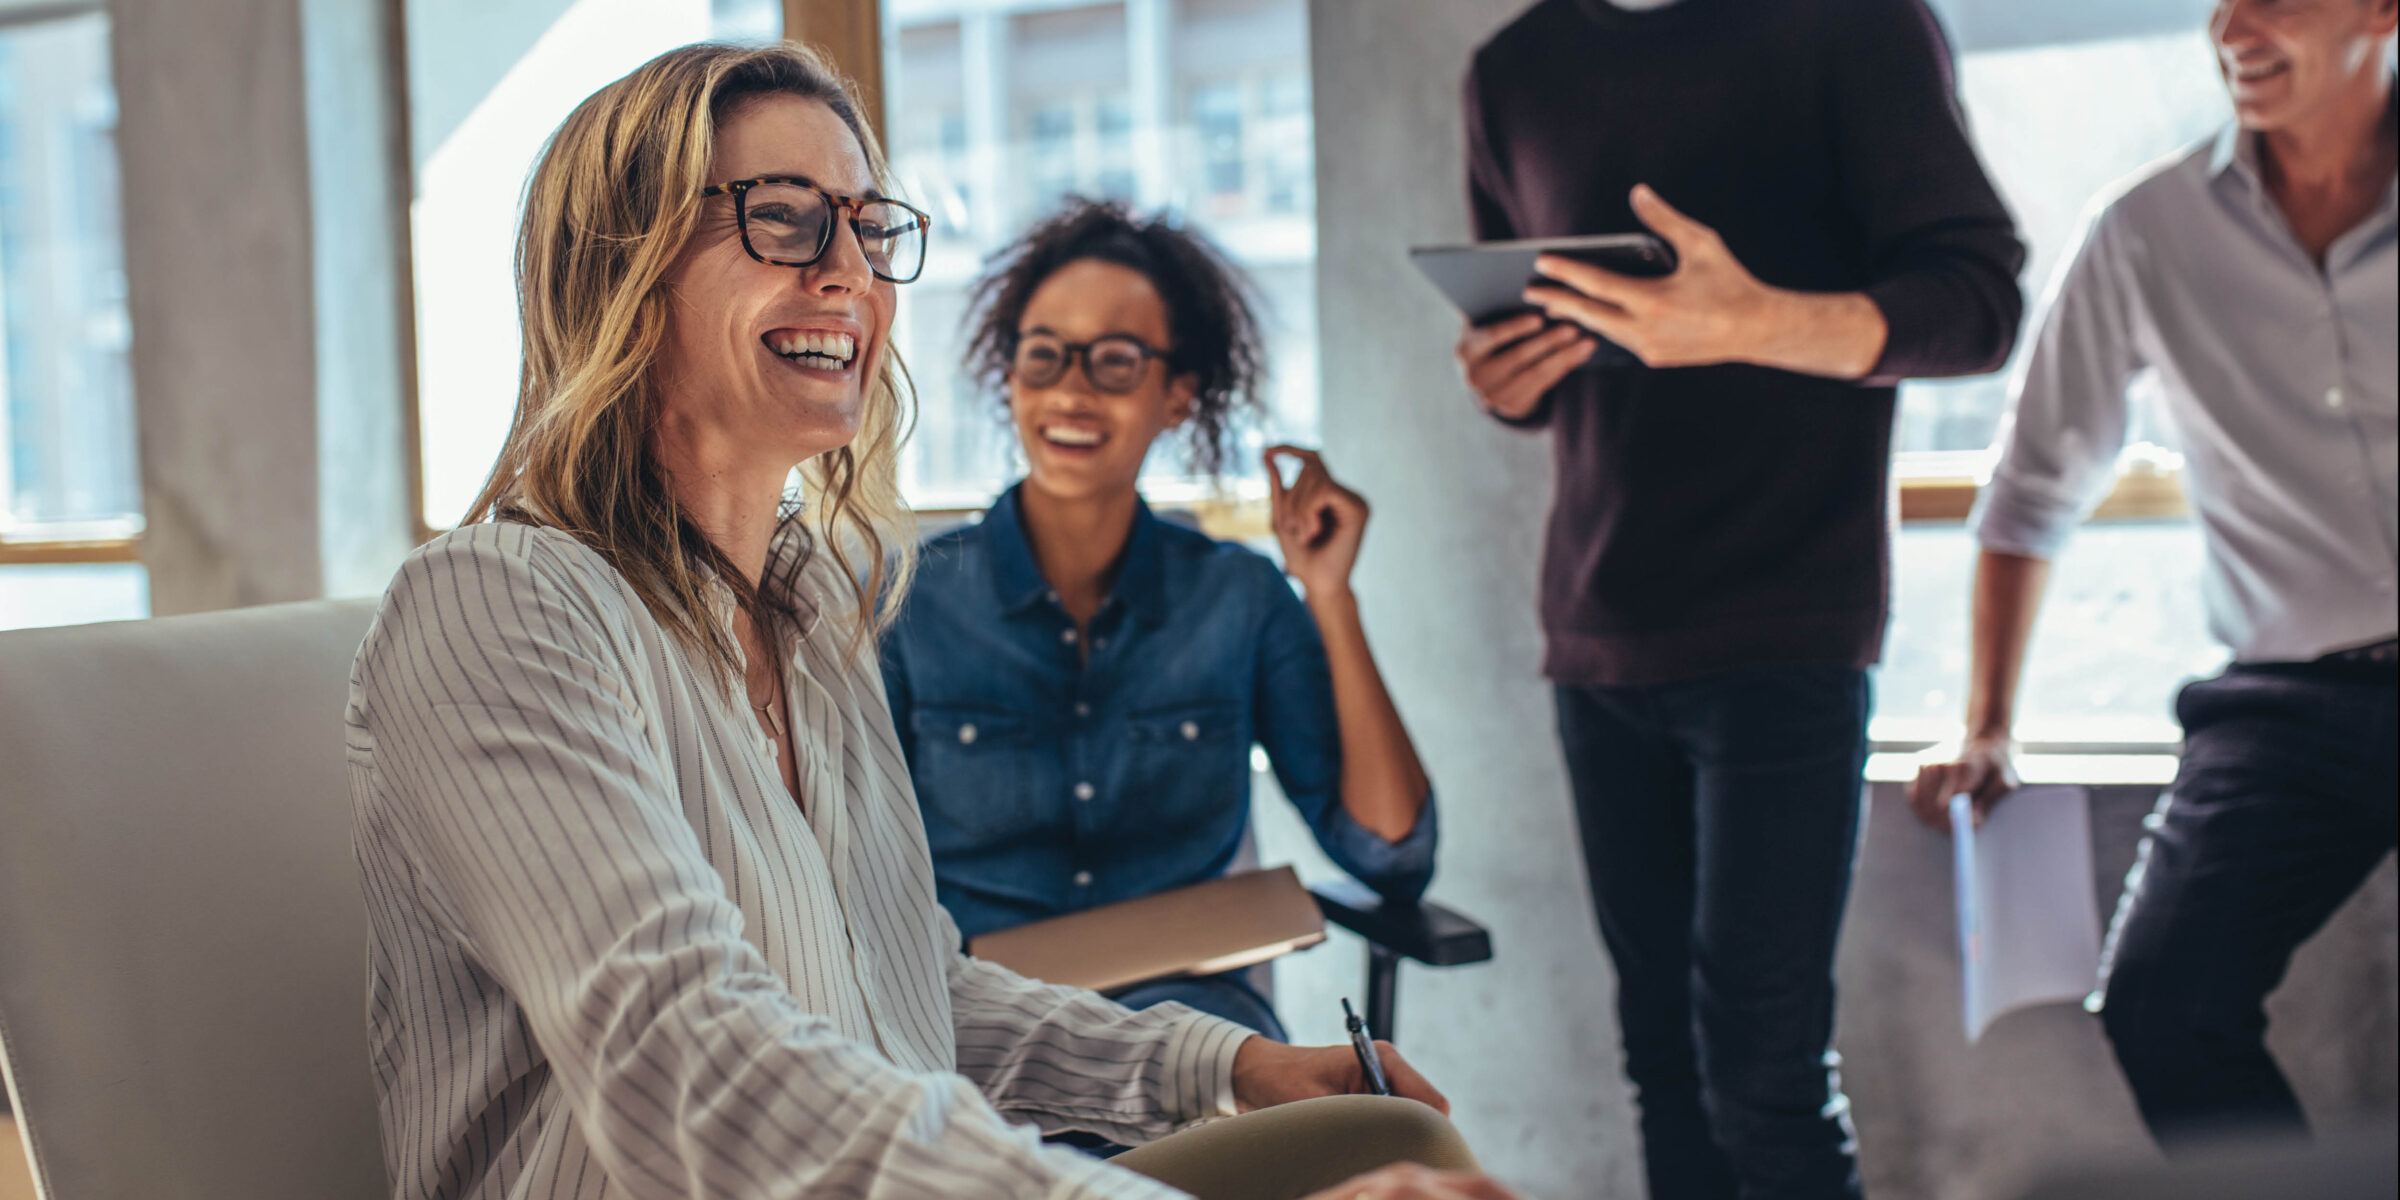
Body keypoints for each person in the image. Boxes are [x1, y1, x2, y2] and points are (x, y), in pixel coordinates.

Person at [345, 41, 1519, 1200]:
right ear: (624, 261)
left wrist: (1230, 1067)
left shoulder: (815, 620)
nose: (852, 269)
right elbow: (689, 1063)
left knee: (1383, 1154)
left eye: (868, 226)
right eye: (790, 218)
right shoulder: (496, 606)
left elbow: (913, 996)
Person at [1453, 1, 2026, 1196]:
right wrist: (1508, 381)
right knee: (1662, 1066)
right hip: (1597, 636)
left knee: (1763, 1085)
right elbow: (1551, 358)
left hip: (1787, 630)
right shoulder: (1513, 70)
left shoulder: (1852, 25)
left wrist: (1755, 320)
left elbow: (1978, 305)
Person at [1912, 0, 2396, 1151]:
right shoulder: (2146, 231)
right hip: (2289, 703)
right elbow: (2030, 491)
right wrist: (1986, 724)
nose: (2235, 24)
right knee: (2164, 1004)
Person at [880, 200, 1436, 1040]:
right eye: (1044, 356)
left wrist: (1329, 593)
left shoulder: (1239, 598)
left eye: (1114, 361)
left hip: (1198, 1035)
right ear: (1010, 378)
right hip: (977, 1040)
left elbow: (1391, 852)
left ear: (1179, 396)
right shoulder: (906, 604)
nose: (1070, 389)